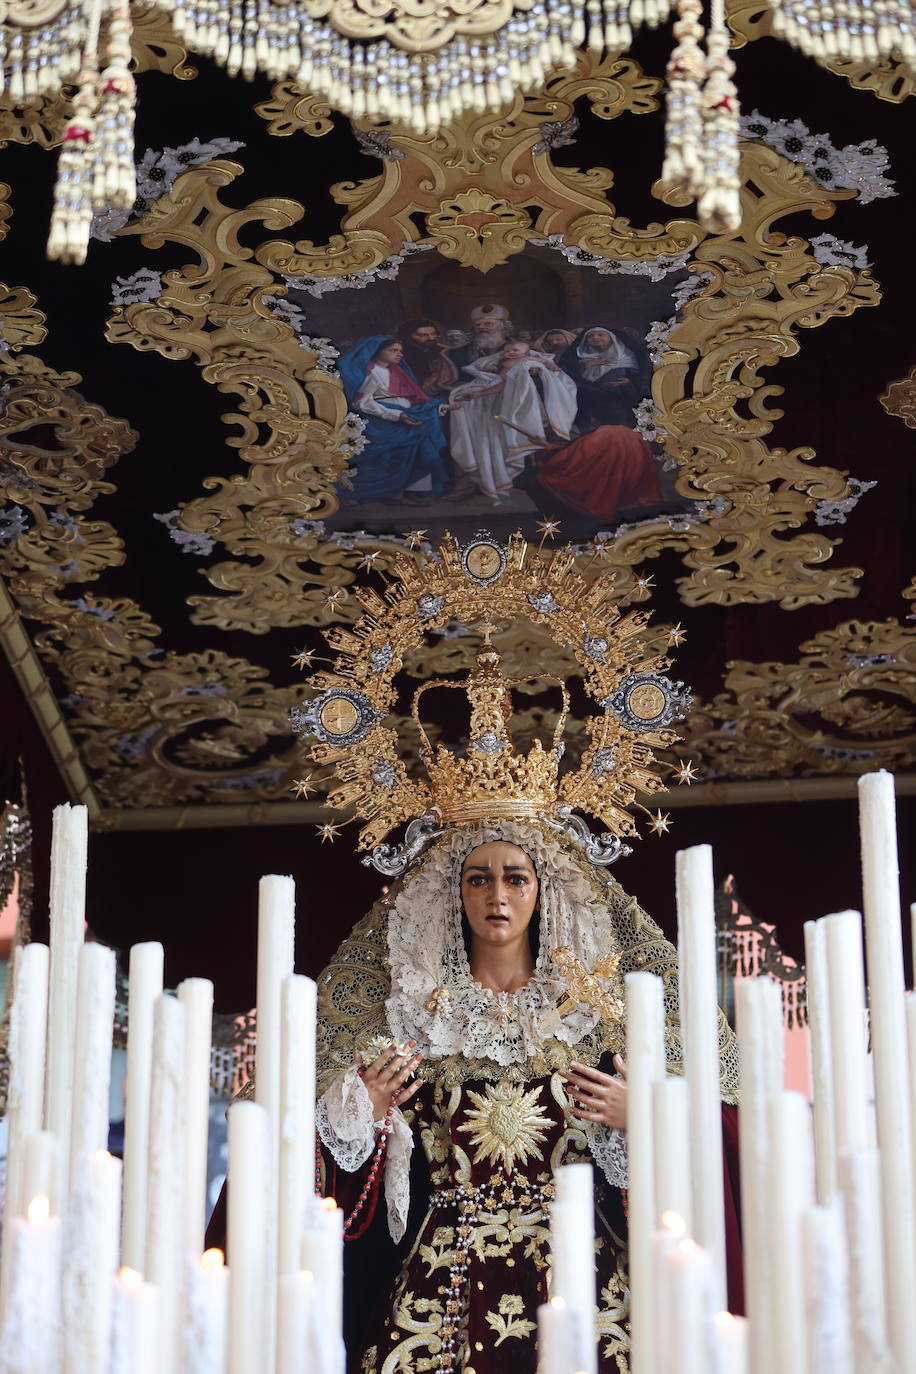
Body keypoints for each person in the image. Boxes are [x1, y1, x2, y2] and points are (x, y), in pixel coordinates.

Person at [314, 822, 743, 1373]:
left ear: (544, 891)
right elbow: (330, 1169)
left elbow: (714, 1142)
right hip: (442, 1284)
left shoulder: (602, 1022)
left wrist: (647, 1118)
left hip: (587, 1278)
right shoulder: (410, 1016)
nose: (497, 895)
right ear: (455, 893)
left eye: (516, 878)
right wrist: (358, 1115)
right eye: (478, 880)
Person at [446, 341, 577, 504]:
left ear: (527, 351)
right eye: (508, 350)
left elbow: (507, 383)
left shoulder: (529, 361)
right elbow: (496, 376)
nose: (511, 352)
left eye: (516, 350)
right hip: (495, 393)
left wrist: (552, 368)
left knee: (503, 438)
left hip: (507, 399)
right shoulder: (503, 360)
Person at [338, 336, 449, 503]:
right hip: (381, 423)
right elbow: (361, 402)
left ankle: (399, 493)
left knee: (404, 458)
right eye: (393, 350)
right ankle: (355, 494)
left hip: (402, 420)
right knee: (380, 460)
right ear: (377, 351)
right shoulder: (372, 371)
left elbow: (415, 398)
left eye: (400, 351)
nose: (400, 355)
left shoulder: (395, 371)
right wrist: (397, 415)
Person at [558, 327, 651, 431]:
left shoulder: (627, 356)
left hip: (620, 401)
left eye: (601, 334)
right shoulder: (580, 358)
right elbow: (569, 376)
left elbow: (643, 378)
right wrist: (587, 364)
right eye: (590, 336)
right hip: (591, 401)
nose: (595, 338)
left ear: (611, 338)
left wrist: (630, 383)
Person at [395, 319, 460, 397]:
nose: (431, 338)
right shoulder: (400, 356)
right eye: (423, 335)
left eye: (433, 334)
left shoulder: (440, 349)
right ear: (408, 337)